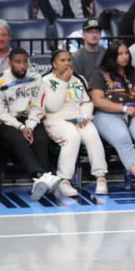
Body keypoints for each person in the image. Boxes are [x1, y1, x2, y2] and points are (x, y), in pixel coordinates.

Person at [0, 48, 62, 200]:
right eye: (18, 62)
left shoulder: (36, 79)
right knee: (19, 139)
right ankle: (41, 176)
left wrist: (29, 126)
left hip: (31, 120)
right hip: (6, 122)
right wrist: (21, 127)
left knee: (41, 139)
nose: (22, 66)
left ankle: (41, 180)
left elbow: (38, 106)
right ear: (10, 63)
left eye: (24, 62)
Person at [42, 49, 108, 197]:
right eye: (62, 60)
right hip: (55, 119)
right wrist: (64, 82)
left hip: (78, 118)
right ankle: (64, 180)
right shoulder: (46, 80)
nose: (67, 63)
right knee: (72, 137)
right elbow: (52, 106)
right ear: (54, 63)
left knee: (92, 134)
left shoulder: (78, 79)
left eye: (69, 60)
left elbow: (86, 102)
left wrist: (85, 116)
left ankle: (100, 177)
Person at [88, 41, 135, 190]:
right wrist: (123, 108)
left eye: (126, 53)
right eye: (120, 54)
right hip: (107, 114)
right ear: (112, 56)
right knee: (122, 137)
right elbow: (97, 101)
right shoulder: (100, 73)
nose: (124, 57)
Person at [71, 18, 106, 83]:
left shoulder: (107, 54)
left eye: (97, 32)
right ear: (83, 35)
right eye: (90, 32)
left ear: (100, 35)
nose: (94, 35)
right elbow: (76, 82)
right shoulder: (76, 57)